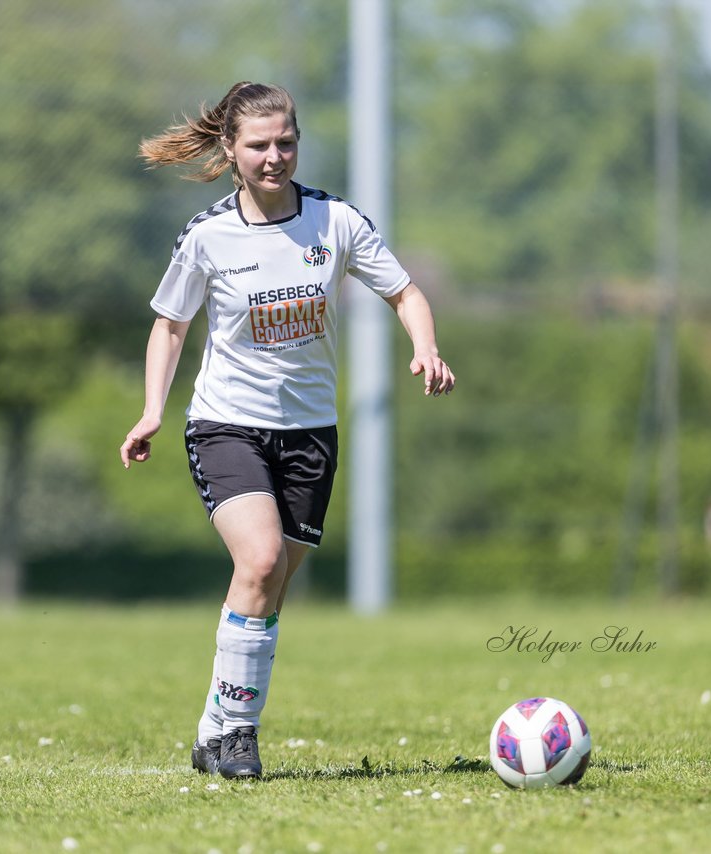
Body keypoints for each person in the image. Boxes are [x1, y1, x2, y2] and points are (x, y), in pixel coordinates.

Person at [119, 82, 454, 781]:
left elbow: (405, 291)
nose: (275, 157)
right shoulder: (208, 234)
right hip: (226, 426)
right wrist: (153, 408)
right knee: (262, 562)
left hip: (310, 434)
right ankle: (240, 733)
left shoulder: (334, 222)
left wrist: (424, 346)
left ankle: (213, 729)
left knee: (269, 588)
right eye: (259, 145)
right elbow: (170, 325)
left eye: (286, 143)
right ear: (231, 150)